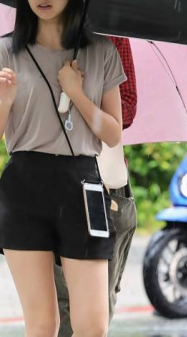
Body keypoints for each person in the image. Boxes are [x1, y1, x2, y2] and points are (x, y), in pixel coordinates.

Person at [0, 0, 126, 336]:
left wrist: (77, 94)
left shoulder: (101, 51)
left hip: (83, 183)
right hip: (25, 184)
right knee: (42, 324)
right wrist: (5, 102)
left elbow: (113, 133)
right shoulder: (4, 51)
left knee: (92, 325)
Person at [53, 36, 137, 335]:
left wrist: (79, 94)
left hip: (106, 187)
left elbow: (127, 109)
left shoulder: (112, 37)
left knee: (97, 308)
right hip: (51, 185)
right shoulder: (36, 36)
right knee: (59, 306)